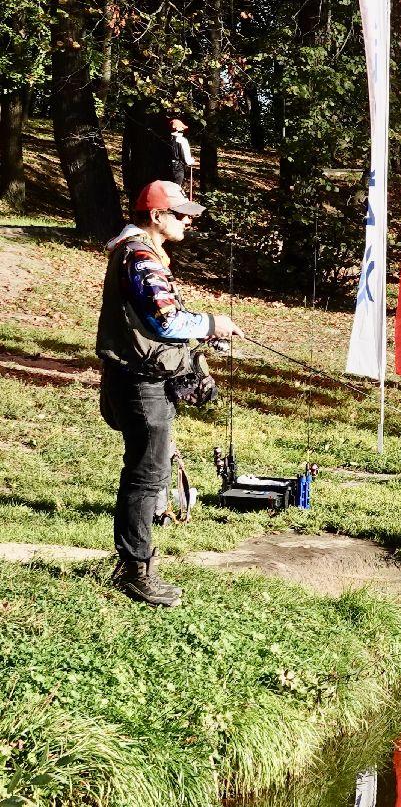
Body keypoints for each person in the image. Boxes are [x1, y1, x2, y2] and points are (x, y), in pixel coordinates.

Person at [97, 181, 243, 607]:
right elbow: (166, 322)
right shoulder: (140, 256)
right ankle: (135, 571)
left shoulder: (141, 252)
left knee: (147, 472)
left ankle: (134, 564)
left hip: (138, 380)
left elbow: (158, 319)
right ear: (155, 215)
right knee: (146, 476)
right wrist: (212, 323)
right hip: (140, 384)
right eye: (180, 214)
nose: (187, 221)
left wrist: (203, 329)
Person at [167, 116, 196, 195]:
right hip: (177, 169)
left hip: (164, 167)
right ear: (178, 129)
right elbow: (187, 160)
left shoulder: (163, 139)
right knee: (175, 191)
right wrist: (192, 161)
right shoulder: (182, 140)